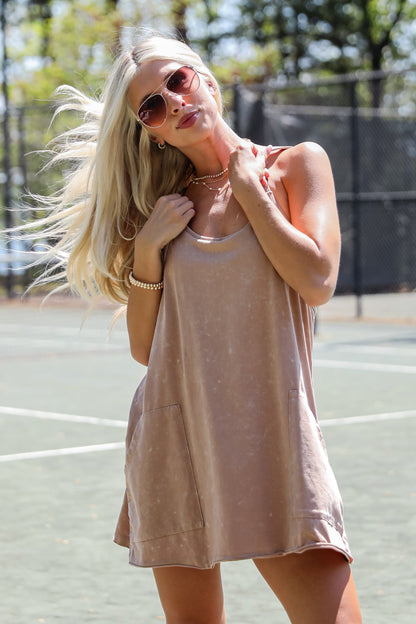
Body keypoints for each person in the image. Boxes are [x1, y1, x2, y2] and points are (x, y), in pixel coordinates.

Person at [28, 32, 362, 624]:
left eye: (177, 81)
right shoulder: (163, 208)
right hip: (174, 434)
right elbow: (144, 349)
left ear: (204, 77)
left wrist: (253, 196)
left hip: (274, 435)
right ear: (151, 132)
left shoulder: (294, 165)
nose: (174, 102)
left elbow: (318, 280)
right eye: (152, 106)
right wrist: (148, 251)